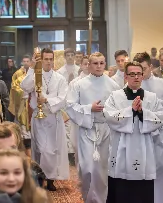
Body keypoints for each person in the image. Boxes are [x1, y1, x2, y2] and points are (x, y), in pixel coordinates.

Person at [104, 61, 163, 203]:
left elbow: (160, 118)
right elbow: (109, 116)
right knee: (121, 187)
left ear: (142, 76)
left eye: (139, 74)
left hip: (144, 147)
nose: (136, 77)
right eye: (132, 74)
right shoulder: (115, 96)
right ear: (125, 76)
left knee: (143, 189)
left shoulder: (151, 97)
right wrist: (130, 110)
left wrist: (143, 112)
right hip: (121, 148)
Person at [66, 52, 120, 202]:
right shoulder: (79, 85)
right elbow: (70, 106)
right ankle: (89, 199)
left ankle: (102, 200)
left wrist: (109, 112)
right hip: (88, 130)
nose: (98, 66)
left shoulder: (113, 85)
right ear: (89, 65)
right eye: (95, 63)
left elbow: (119, 107)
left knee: (103, 170)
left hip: (106, 130)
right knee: (88, 168)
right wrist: (89, 108)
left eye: (101, 63)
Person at [133, 52, 163, 203]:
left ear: (151, 67)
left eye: (143, 69)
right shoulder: (132, 85)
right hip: (139, 133)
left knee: (161, 168)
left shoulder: (162, 84)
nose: (140, 74)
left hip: (159, 132)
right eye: (137, 70)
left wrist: (157, 108)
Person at [20, 48, 69, 191]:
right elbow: (24, 86)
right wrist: (32, 68)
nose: (48, 62)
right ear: (41, 59)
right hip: (39, 118)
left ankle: (51, 179)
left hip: (53, 118)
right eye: (45, 59)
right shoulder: (36, 75)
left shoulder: (60, 78)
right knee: (42, 149)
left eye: (50, 59)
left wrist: (47, 100)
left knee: (53, 150)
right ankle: (40, 176)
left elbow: (63, 99)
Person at [9, 54, 32, 156]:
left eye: (28, 61)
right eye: (24, 61)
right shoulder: (17, 74)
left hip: (32, 104)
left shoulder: (35, 72)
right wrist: (24, 93)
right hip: (22, 105)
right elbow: (14, 87)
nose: (26, 63)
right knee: (22, 131)